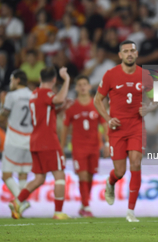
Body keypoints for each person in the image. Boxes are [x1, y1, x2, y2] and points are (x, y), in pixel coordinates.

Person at [94, 40, 153, 222]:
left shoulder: (145, 75)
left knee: (136, 163)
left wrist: (149, 107)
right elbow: (97, 99)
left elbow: (156, 98)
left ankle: (130, 212)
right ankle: (110, 182)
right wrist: (108, 119)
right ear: (120, 55)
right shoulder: (111, 74)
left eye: (132, 51)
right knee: (120, 171)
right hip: (117, 128)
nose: (129, 54)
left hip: (136, 126)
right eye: (125, 51)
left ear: (136, 54)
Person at [9, 67, 70, 220]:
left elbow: (46, 112)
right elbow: (59, 98)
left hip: (35, 141)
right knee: (59, 175)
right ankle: (58, 212)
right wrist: (67, 79)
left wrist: (60, 107)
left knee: (39, 178)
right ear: (54, 80)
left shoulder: (34, 94)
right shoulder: (46, 93)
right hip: (48, 140)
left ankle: (17, 201)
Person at [61, 75, 109, 218]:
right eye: (79, 85)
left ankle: (84, 204)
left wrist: (107, 143)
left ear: (89, 87)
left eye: (85, 84)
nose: (82, 87)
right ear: (76, 88)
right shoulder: (71, 107)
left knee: (90, 175)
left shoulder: (97, 105)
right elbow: (64, 128)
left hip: (94, 146)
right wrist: (61, 148)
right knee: (82, 174)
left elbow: (104, 124)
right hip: (78, 146)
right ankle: (86, 206)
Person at [0, 70, 33, 216]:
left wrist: (1, 103)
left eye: (11, 79)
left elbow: (1, 118)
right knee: (23, 173)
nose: (10, 83)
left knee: (6, 175)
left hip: (14, 139)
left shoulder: (11, 96)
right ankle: (20, 208)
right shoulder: (33, 95)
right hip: (30, 139)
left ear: (17, 80)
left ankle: (21, 201)